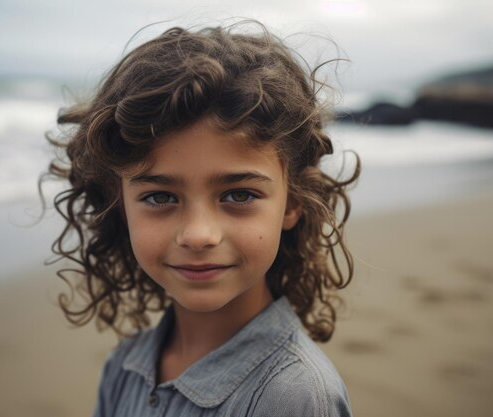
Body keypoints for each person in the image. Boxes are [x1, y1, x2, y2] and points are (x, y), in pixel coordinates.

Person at [43, 20, 360, 417]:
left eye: (239, 194)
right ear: (118, 204)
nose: (198, 235)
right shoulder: (124, 366)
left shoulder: (293, 397)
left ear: (292, 203)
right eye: (160, 197)